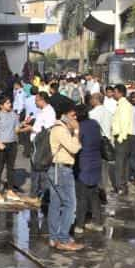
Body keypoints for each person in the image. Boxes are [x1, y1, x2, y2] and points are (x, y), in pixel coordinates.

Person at [48, 105, 84, 251]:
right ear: (65, 115)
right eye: (73, 115)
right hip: (61, 170)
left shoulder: (58, 128)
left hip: (57, 169)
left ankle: (54, 237)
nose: (75, 118)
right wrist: (76, 131)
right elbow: (74, 148)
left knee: (55, 204)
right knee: (70, 204)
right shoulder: (60, 130)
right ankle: (62, 239)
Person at [19, 91, 57, 199]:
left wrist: (30, 128)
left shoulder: (49, 112)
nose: (35, 103)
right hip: (36, 141)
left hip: (42, 143)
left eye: (36, 100)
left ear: (42, 100)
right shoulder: (41, 111)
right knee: (35, 168)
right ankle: (35, 193)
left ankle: (44, 194)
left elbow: (46, 129)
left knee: (41, 168)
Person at [74, 105, 104, 234]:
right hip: (96, 161)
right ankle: (98, 222)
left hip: (83, 163)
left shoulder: (80, 127)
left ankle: (79, 225)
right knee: (93, 194)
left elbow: (75, 145)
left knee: (82, 196)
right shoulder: (95, 124)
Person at [0, 96, 22, 202]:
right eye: (7, 103)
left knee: (11, 168)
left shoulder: (14, 115)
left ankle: (10, 190)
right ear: (1, 106)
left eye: (10, 102)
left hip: (13, 144)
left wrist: (23, 124)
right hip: (1, 144)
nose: (10, 104)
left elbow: (16, 130)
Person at [111, 84, 134, 196]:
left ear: (120, 93)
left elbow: (124, 123)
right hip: (124, 137)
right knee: (124, 163)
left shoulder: (124, 106)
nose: (113, 94)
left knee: (120, 164)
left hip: (122, 137)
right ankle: (122, 186)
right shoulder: (122, 105)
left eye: (115, 92)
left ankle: (120, 187)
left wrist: (120, 138)